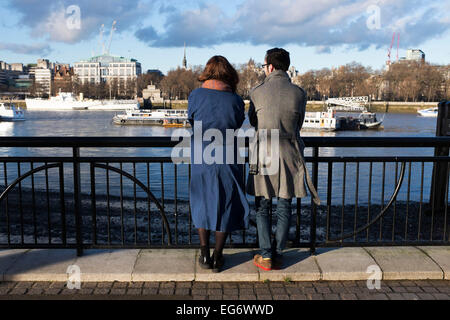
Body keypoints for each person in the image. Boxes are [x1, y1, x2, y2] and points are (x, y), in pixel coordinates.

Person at [247, 48, 320, 271]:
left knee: (262, 205)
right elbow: (298, 125)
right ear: (286, 66)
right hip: (289, 151)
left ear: (269, 67)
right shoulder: (299, 93)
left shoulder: (256, 91)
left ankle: (266, 254)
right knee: (285, 203)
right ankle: (278, 253)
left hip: (264, 152)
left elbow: (253, 122)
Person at [188, 56, 250, 273]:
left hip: (202, 155)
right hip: (228, 156)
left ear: (207, 71)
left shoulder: (196, 95)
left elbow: (192, 120)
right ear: (228, 74)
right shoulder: (235, 100)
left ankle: (204, 254)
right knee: (226, 201)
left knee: (201, 200)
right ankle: (218, 256)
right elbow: (237, 123)